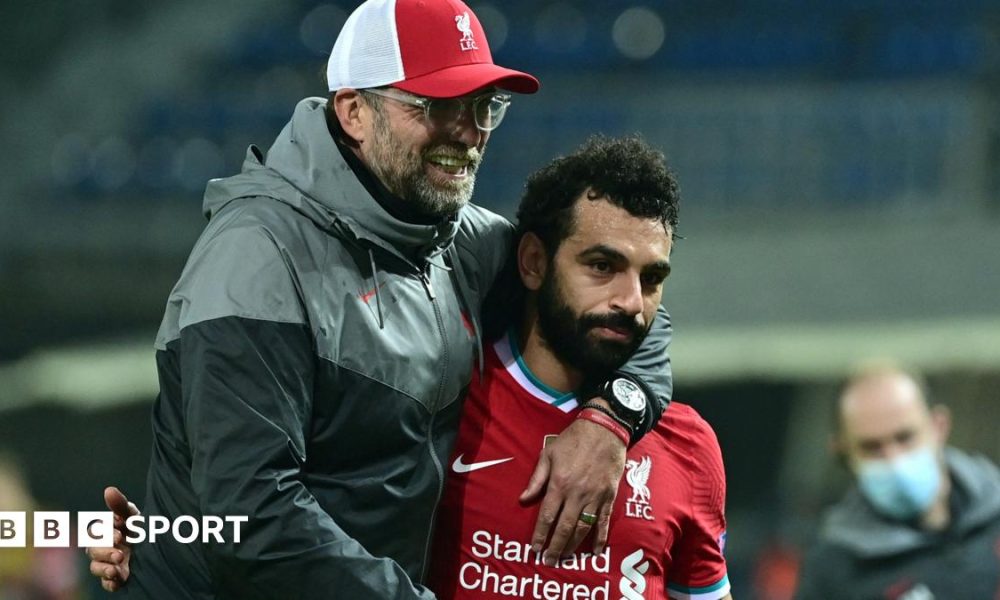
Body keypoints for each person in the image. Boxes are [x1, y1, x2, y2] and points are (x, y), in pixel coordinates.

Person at [86, 1, 674, 597]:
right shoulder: (257, 255)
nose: (468, 132)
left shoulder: (460, 241)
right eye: (437, 105)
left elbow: (621, 311)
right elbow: (252, 519)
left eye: (482, 106)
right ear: (354, 112)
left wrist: (611, 418)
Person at [427, 135, 733, 599]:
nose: (632, 302)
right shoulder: (444, 402)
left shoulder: (689, 444)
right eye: (602, 266)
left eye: (651, 278)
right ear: (534, 263)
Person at [795, 364, 1000, 599]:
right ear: (842, 451)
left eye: (905, 438)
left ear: (939, 426)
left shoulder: (994, 514)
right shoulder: (833, 570)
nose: (894, 460)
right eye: (872, 447)